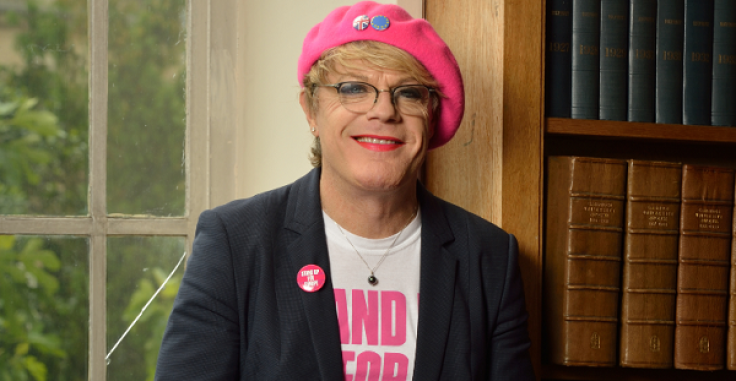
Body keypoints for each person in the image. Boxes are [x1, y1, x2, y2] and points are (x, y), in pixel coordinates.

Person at [155, 2, 534, 380]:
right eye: (353, 88)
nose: (384, 111)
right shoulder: (235, 244)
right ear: (310, 110)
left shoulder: (489, 260)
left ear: (432, 116)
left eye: (409, 93)